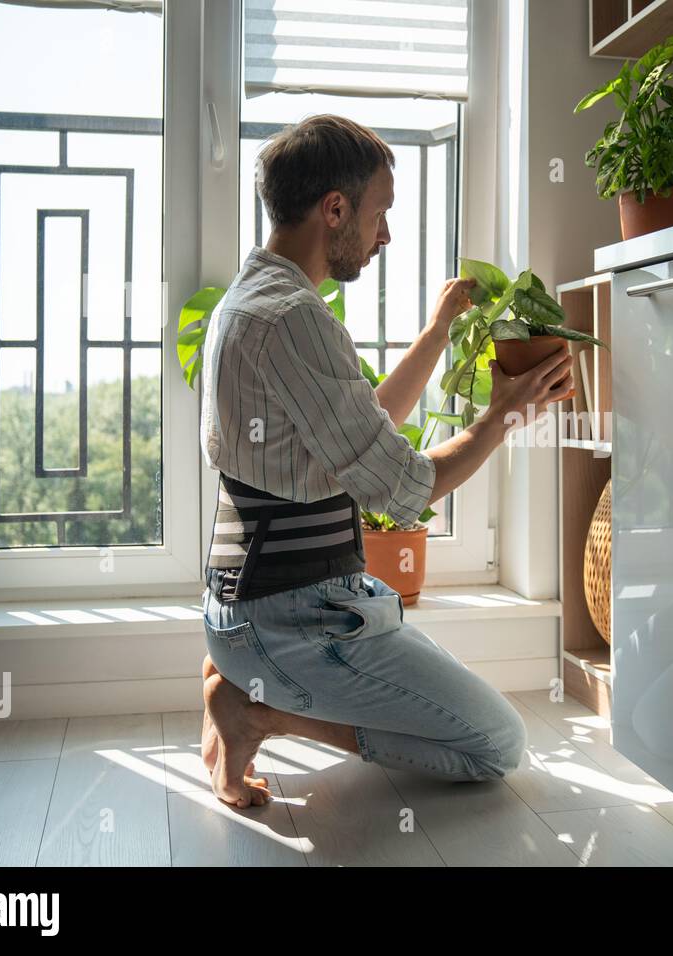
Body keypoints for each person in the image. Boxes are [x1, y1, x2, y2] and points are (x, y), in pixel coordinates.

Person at [198, 114, 573, 808]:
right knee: (494, 744)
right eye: (380, 215)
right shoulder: (294, 317)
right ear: (333, 209)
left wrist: (436, 335)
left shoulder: (251, 299)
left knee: (463, 719)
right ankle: (261, 711)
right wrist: (503, 416)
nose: (385, 236)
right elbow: (404, 490)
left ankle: (247, 683)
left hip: (258, 608)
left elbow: (355, 431)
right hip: (293, 621)